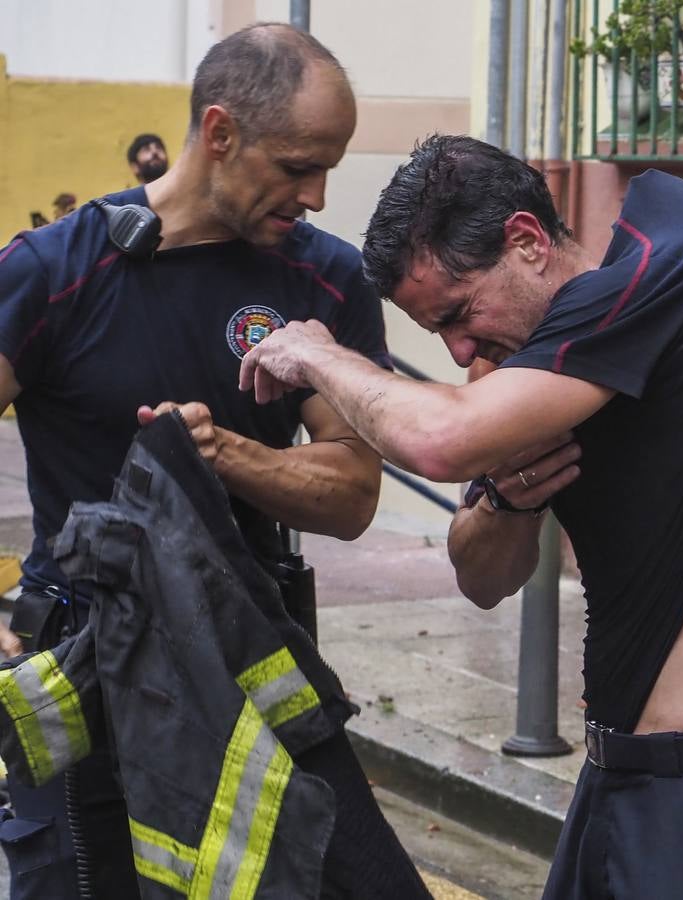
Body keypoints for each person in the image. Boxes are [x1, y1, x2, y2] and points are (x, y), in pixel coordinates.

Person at [237, 135, 683, 898]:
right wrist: (514, 503)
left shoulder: (635, 294)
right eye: (436, 334)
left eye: (458, 314)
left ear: (525, 241)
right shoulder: (527, 365)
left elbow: (439, 438)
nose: (458, 353)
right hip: (620, 778)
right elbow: (482, 575)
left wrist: (322, 356)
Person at [0, 23, 429, 900]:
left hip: (248, 687)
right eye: (296, 164)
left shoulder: (326, 282)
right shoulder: (56, 271)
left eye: (329, 170)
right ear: (221, 133)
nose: (314, 194)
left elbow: (351, 492)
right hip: (84, 690)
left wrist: (221, 455)